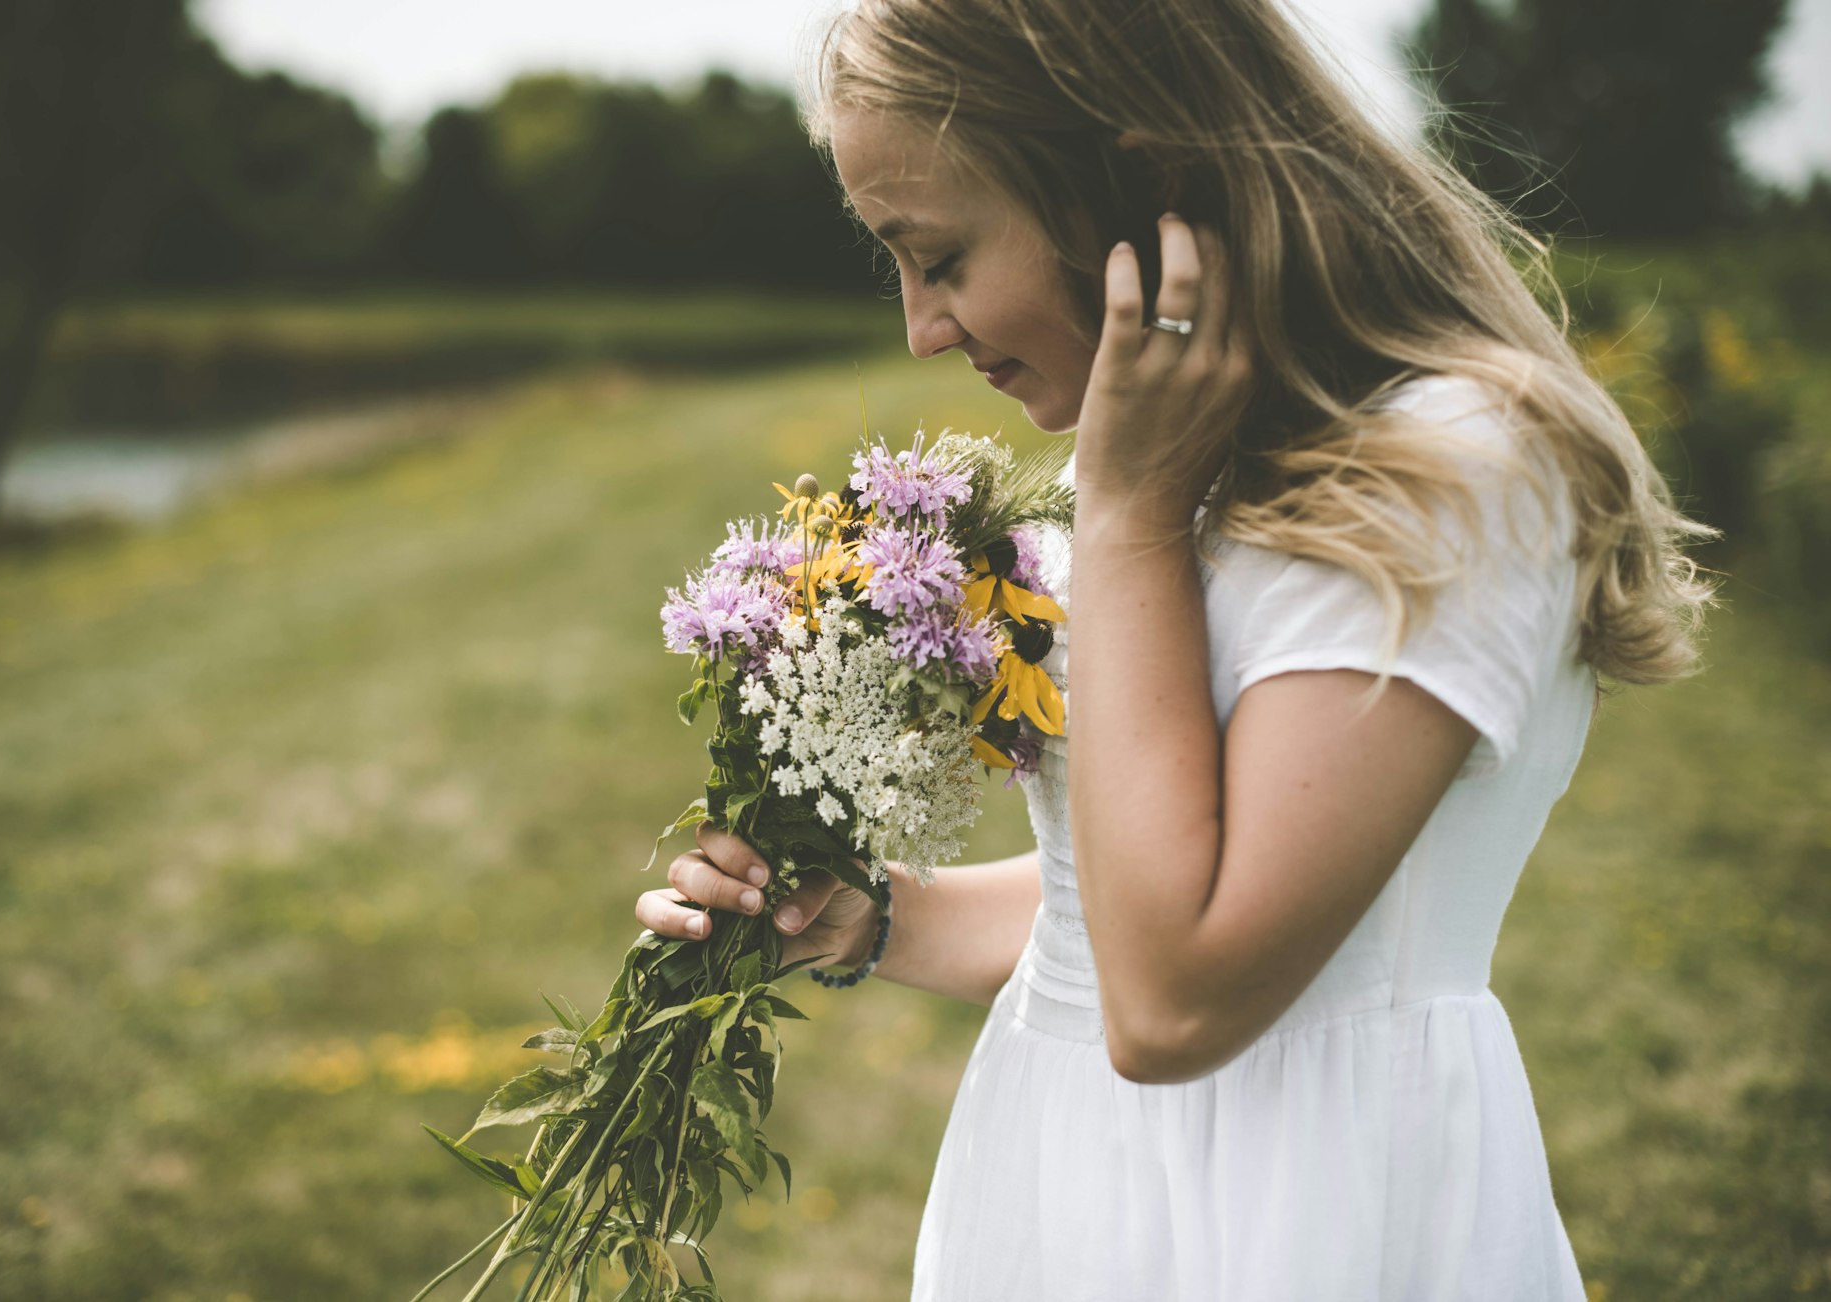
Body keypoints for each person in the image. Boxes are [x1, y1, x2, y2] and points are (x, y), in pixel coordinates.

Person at [634, 0, 1717, 1296]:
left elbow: (1175, 997)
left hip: (1304, 1202)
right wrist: (872, 920)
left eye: (939, 255)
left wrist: (1131, 518)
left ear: (1134, 187)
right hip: (1061, 1177)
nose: (922, 325)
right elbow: (1123, 894)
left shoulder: (1448, 469)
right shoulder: (1171, 454)